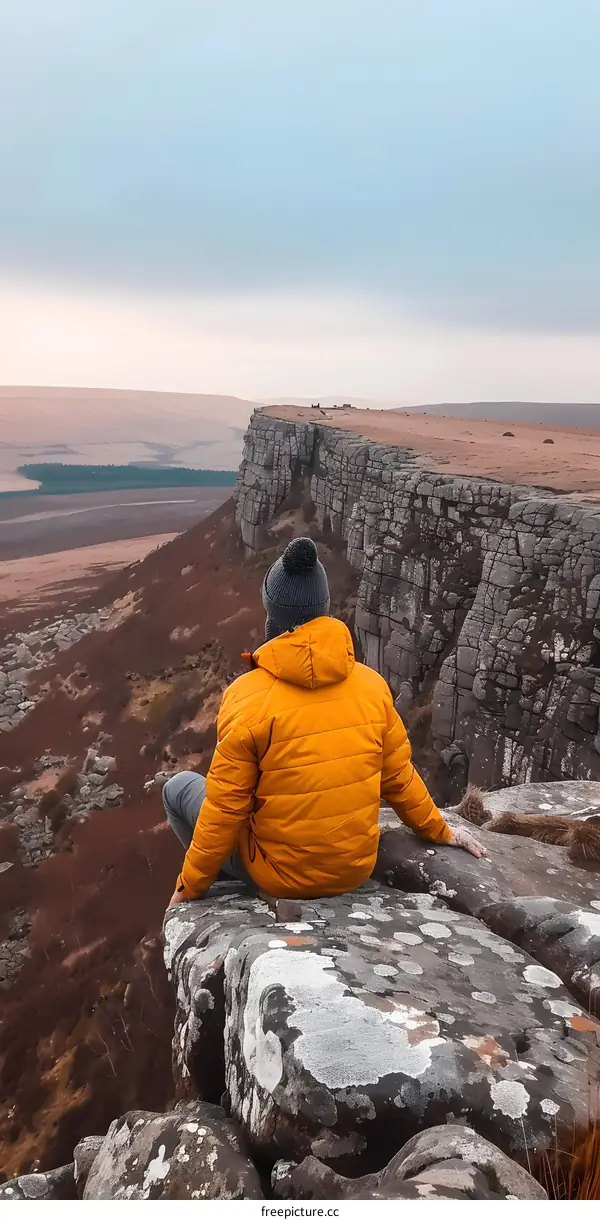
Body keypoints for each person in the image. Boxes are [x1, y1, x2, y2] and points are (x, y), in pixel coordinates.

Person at [165, 537, 484, 907]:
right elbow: (398, 778)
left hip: (278, 876)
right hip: (354, 869)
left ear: (273, 614)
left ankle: (224, 887)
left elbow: (225, 809)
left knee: (179, 788)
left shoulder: (246, 695)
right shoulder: (372, 686)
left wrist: (188, 889)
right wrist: (440, 829)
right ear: (324, 609)